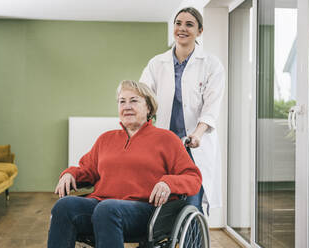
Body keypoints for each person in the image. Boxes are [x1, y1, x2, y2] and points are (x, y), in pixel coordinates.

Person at [47, 80, 202, 248]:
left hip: (147, 210)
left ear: (149, 107)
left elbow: (193, 177)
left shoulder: (167, 139)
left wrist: (168, 183)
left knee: (107, 209)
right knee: (64, 206)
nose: (127, 106)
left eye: (134, 100)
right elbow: (87, 170)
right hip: (102, 205)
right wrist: (71, 174)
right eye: (122, 101)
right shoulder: (106, 139)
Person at [140, 7, 225, 213]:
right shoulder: (157, 63)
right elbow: (144, 98)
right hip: (163, 145)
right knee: (156, 200)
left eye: (189, 24)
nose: (182, 28)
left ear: (200, 31)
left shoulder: (211, 64)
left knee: (191, 204)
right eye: (178, 23)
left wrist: (197, 133)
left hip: (193, 145)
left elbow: (211, 106)